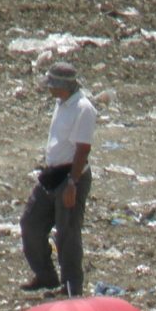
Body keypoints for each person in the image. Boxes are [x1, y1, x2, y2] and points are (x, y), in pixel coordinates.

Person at [19, 60, 96, 296]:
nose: (49, 88)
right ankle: (45, 275)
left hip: (70, 175)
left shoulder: (83, 108)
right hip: (51, 174)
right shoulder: (61, 103)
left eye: (52, 84)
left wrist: (72, 183)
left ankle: (71, 285)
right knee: (30, 223)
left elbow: (83, 149)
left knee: (67, 233)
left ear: (64, 85)